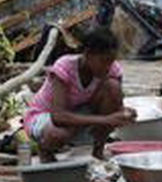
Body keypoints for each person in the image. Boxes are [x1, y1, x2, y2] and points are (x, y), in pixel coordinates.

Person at [23, 28, 135, 161]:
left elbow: (115, 105)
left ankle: (98, 152)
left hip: (79, 115)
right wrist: (106, 119)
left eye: (111, 61)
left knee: (113, 87)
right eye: (103, 61)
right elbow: (58, 116)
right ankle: (46, 151)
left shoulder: (112, 69)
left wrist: (125, 114)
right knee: (57, 135)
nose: (108, 67)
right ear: (87, 54)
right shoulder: (65, 67)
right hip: (45, 116)